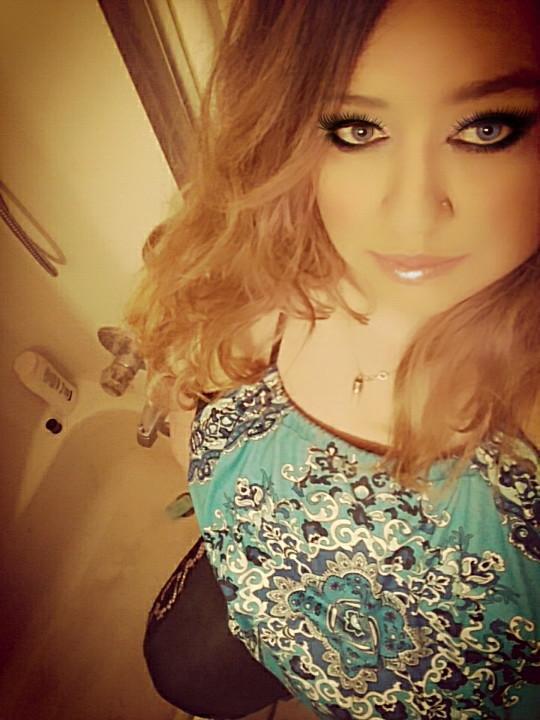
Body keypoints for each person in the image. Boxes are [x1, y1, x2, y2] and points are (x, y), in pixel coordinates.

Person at [123, 0, 540, 717]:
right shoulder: (267, 275)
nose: (412, 214)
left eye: (486, 128)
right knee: (180, 669)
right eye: (358, 129)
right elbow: (196, 427)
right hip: (262, 605)